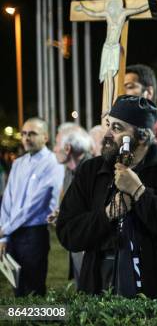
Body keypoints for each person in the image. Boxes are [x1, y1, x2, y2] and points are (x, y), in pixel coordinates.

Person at [56, 95, 157, 297]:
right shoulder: (91, 171)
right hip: (99, 282)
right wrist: (107, 214)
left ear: (144, 136)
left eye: (118, 128)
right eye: (108, 125)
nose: (108, 134)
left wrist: (140, 193)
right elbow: (68, 232)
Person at [0, 118, 64, 296]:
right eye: (24, 134)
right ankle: (22, 320)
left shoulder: (53, 163)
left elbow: (35, 205)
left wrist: (5, 229)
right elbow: (8, 200)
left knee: (34, 287)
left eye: (32, 134)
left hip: (34, 234)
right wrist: (4, 237)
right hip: (12, 234)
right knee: (16, 285)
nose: (27, 138)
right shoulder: (18, 163)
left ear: (45, 137)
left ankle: (35, 321)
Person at [50, 123, 93, 288]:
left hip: (89, 250)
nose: (54, 149)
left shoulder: (92, 169)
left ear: (67, 148)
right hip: (77, 248)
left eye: (56, 143)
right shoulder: (68, 171)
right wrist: (62, 215)